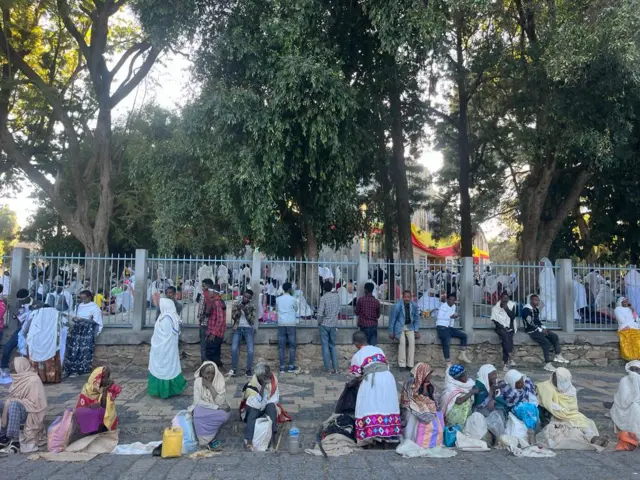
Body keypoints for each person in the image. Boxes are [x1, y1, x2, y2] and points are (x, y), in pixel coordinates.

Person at [349, 330, 401, 445]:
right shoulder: (378, 349)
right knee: (386, 404)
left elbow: (356, 375)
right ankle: (389, 435)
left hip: (372, 379)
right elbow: (386, 365)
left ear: (356, 344)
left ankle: (371, 434)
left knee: (369, 405)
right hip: (387, 378)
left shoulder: (357, 355)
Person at [536, 367, 607, 449]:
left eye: (566, 380)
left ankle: (593, 437)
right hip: (555, 416)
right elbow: (548, 405)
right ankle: (592, 439)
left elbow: (572, 407)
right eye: (561, 380)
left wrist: (567, 412)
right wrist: (562, 411)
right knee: (570, 431)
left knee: (584, 421)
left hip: (571, 414)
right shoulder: (546, 388)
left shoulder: (570, 389)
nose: (564, 383)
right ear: (554, 378)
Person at [0, 358, 47, 453]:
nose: (13, 370)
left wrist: (17, 401)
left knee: (13, 405)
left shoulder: (34, 380)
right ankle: (2, 435)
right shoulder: (18, 379)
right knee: (7, 404)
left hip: (30, 413)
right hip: (18, 410)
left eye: (15, 368)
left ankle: (14, 440)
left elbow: (37, 404)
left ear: (21, 367)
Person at [1, 289, 47, 381]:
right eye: (19, 300)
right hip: (22, 330)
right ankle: (4, 367)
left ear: (28, 297)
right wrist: (17, 314)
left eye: (22, 300)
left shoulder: (39, 303)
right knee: (8, 346)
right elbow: (16, 317)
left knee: (32, 350)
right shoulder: (19, 304)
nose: (21, 302)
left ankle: (32, 370)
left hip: (35, 331)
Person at [148, 298, 187, 398]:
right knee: (168, 368)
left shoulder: (167, 319)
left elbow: (163, 336)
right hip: (167, 349)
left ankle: (165, 391)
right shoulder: (170, 316)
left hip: (164, 349)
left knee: (165, 369)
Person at [400, 362, 444, 448]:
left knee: (436, 413)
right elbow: (411, 399)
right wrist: (423, 392)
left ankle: (431, 440)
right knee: (414, 416)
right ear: (422, 373)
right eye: (429, 375)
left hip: (423, 406)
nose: (430, 377)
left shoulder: (429, 385)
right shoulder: (410, 383)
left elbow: (433, 398)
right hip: (409, 407)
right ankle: (411, 438)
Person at [240, 362, 282, 451]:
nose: (268, 376)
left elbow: (274, 399)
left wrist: (266, 402)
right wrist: (262, 388)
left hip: (265, 406)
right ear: (259, 377)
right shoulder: (250, 387)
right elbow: (255, 404)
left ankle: (273, 440)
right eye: (265, 376)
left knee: (271, 407)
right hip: (253, 408)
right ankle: (249, 441)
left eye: (268, 373)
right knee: (253, 411)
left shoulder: (273, 381)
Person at [189, 361, 231, 449]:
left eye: (212, 373)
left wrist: (210, 386)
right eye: (207, 373)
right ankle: (204, 440)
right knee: (197, 411)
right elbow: (197, 401)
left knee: (225, 414)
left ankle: (209, 438)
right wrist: (216, 407)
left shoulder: (219, 381)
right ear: (202, 373)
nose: (210, 376)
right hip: (203, 409)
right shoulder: (198, 381)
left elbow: (221, 402)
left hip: (215, 411)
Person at [522, 294, 568, 372]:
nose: (537, 302)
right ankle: (547, 364)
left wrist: (544, 328)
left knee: (554, 336)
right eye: (535, 300)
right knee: (545, 342)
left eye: (538, 300)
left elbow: (538, 321)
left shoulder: (536, 309)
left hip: (539, 329)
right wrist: (540, 330)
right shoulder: (527, 309)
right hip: (531, 330)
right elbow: (530, 323)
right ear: (531, 301)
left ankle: (557, 355)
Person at [64, 290, 103, 377]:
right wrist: (74, 319)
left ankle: (80, 369)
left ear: (89, 297)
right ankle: (70, 369)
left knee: (83, 350)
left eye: (85, 298)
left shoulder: (95, 307)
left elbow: (96, 321)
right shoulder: (79, 306)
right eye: (81, 298)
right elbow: (76, 315)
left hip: (87, 330)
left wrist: (83, 320)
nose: (83, 300)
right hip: (77, 329)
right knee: (73, 349)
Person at [75, 366, 122, 436]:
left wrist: (105, 391)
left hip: (100, 417)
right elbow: (80, 409)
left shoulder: (105, 388)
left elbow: (104, 406)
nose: (107, 380)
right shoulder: (87, 390)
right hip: (88, 418)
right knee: (88, 413)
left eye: (108, 377)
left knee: (105, 407)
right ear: (97, 379)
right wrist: (90, 407)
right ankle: (92, 429)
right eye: (104, 377)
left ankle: (103, 427)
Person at [499, 369, 539, 442]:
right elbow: (508, 403)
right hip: (513, 408)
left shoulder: (526, 386)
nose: (522, 384)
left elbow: (532, 396)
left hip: (525, 405)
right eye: (519, 383)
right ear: (512, 383)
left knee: (532, 409)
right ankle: (531, 431)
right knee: (525, 411)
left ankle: (532, 430)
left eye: (522, 382)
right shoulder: (507, 391)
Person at [436, 293, 470, 366]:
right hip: (441, 327)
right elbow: (439, 317)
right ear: (447, 300)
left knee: (464, 335)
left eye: (453, 300)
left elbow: (452, 319)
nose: (452, 301)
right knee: (447, 342)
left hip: (448, 327)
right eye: (450, 300)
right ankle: (448, 362)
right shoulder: (443, 306)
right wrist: (450, 316)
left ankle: (462, 354)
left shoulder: (454, 306)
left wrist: (452, 323)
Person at [389, 290, 421, 370]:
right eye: (405, 297)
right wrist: (391, 331)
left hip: (410, 326)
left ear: (411, 298)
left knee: (412, 344)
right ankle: (402, 365)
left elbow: (417, 318)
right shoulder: (398, 306)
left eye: (408, 297)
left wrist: (416, 330)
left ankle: (410, 365)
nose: (407, 299)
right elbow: (392, 319)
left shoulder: (414, 305)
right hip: (400, 327)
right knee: (402, 344)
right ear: (402, 297)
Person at [610, 360, 640, 438]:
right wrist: (635, 400)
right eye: (632, 369)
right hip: (624, 407)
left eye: (637, 370)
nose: (634, 372)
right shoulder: (624, 380)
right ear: (629, 370)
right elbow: (623, 401)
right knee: (635, 408)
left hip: (635, 404)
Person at [230, 289, 256, 377]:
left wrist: (245, 311)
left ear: (250, 298)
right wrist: (238, 310)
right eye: (245, 296)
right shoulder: (236, 303)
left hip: (248, 328)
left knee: (251, 350)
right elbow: (233, 317)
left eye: (248, 298)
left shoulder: (252, 306)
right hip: (238, 328)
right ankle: (234, 369)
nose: (245, 299)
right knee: (234, 349)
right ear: (242, 295)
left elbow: (252, 320)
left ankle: (248, 370)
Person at [276, 282, 300, 373]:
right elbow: (296, 309)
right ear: (290, 289)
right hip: (291, 323)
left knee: (281, 346)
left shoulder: (278, 299)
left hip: (281, 323)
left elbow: (277, 310)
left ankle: (282, 367)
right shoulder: (293, 299)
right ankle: (291, 366)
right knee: (292, 346)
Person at [317, 280, 340, 373]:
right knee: (333, 346)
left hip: (324, 324)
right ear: (331, 287)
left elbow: (320, 313)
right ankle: (336, 368)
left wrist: (319, 322)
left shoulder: (323, 298)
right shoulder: (337, 297)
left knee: (325, 346)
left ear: (323, 288)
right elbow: (338, 308)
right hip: (333, 324)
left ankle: (328, 368)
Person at [491, 292, 517, 371]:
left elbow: (513, 317)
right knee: (505, 336)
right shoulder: (495, 308)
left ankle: (506, 362)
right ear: (501, 299)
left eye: (507, 299)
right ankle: (509, 357)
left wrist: (507, 309)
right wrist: (503, 327)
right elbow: (495, 321)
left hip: (510, 327)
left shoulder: (512, 305)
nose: (505, 301)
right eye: (504, 299)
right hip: (500, 327)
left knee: (508, 339)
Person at [203, 285, 227, 369]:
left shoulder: (217, 303)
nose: (208, 293)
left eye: (209, 291)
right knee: (216, 353)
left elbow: (220, 320)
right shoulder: (216, 302)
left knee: (209, 354)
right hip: (215, 332)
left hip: (215, 334)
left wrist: (213, 334)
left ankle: (217, 368)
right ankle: (218, 369)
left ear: (214, 292)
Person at [355, 282, 381, 346]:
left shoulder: (361, 300)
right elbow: (378, 315)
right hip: (373, 326)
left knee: (363, 346)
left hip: (363, 325)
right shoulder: (376, 302)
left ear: (365, 289)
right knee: (372, 347)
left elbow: (357, 312)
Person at [198, 278, 215, 362]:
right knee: (211, 345)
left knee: (203, 345)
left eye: (203, 286)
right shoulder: (215, 295)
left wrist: (200, 318)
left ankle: (204, 363)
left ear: (208, 286)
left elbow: (201, 311)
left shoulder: (203, 295)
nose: (202, 287)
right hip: (213, 324)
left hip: (204, 323)